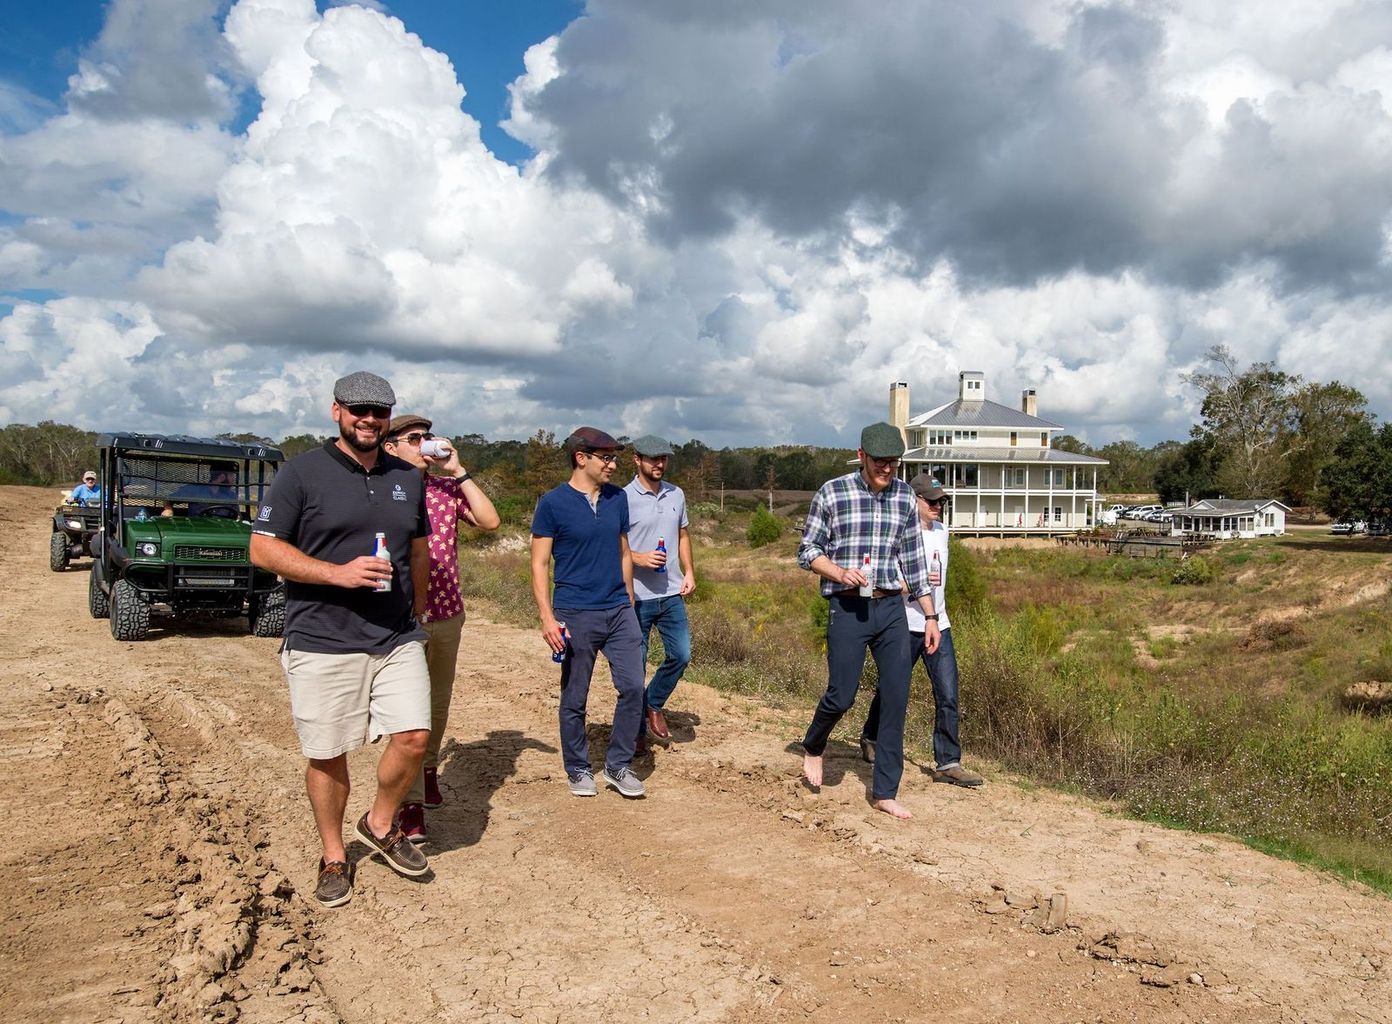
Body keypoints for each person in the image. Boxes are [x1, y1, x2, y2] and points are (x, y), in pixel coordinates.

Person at [249, 371, 432, 908]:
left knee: (415, 737)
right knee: (328, 754)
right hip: (322, 637)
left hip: (396, 635)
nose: (369, 420)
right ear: (336, 411)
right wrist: (336, 573)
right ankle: (333, 855)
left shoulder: (408, 475)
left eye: (380, 412)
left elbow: (417, 548)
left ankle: (379, 823)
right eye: (358, 410)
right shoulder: (301, 474)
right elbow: (262, 549)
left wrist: (417, 603)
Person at [797, 422, 938, 820]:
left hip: (892, 607)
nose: (887, 469)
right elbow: (807, 551)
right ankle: (814, 743)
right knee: (842, 694)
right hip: (848, 607)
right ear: (862, 456)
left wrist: (930, 615)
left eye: (893, 463)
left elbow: (912, 560)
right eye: (880, 462)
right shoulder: (833, 492)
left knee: (896, 696)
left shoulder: (906, 499)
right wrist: (839, 572)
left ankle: (884, 791)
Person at [382, 414, 501, 842]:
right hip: (399, 615)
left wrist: (459, 471)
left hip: (447, 611)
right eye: (415, 439)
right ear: (391, 446)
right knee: (407, 711)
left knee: (437, 702)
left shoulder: (445, 489)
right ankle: (409, 801)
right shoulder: (382, 487)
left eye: (427, 438)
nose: (425, 445)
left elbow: (490, 522)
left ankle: (428, 767)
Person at [530, 427, 647, 799]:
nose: (614, 464)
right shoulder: (552, 503)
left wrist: (628, 599)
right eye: (607, 457)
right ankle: (578, 768)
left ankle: (617, 765)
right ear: (582, 458)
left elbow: (624, 551)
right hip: (575, 611)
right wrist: (548, 618)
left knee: (633, 687)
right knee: (575, 695)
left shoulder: (617, 499)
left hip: (618, 609)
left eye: (614, 457)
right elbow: (539, 564)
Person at [861, 474, 984, 788]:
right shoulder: (900, 531)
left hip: (939, 623)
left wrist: (934, 607)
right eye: (931, 500)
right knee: (892, 688)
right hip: (904, 623)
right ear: (912, 499)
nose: (937, 506)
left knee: (948, 694)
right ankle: (871, 737)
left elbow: (939, 576)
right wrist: (908, 586)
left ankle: (948, 763)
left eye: (941, 501)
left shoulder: (943, 531)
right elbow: (880, 574)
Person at [624, 435, 695, 750]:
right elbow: (615, 545)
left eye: (663, 458)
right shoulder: (621, 497)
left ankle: (653, 702)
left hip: (670, 594)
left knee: (681, 655)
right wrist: (638, 559)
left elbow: (682, 535)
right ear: (636, 459)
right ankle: (635, 730)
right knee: (634, 667)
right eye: (653, 459)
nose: (660, 464)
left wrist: (689, 571)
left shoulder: (675, 494)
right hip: (636, 597)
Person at [164, 462, 240, 517]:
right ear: (222, 476)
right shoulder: (194, 489)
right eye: (231, 475)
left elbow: (236, 516)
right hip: (196, 529)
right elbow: (168, 499)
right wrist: (168, 509)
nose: (233, 479)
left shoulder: (231, 496)